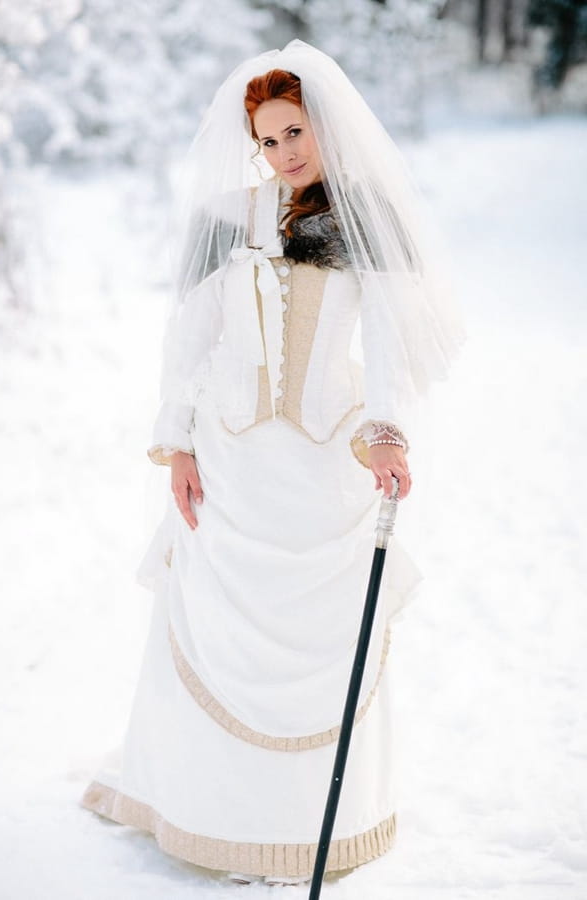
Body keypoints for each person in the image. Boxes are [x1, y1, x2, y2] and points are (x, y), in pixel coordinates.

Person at [79, 39, 466, 887]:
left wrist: (389, 428)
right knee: (215, 633)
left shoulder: (366, 218)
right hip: (232, 461)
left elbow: (389, 336)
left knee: (326, 646)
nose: (284, 151)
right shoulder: (226, 218)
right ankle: (210, 817)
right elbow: (191, 336)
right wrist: (176, 442)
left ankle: (320, 822)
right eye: (268, 139)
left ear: (324, 126)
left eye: (296, 131)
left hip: (325, 461)